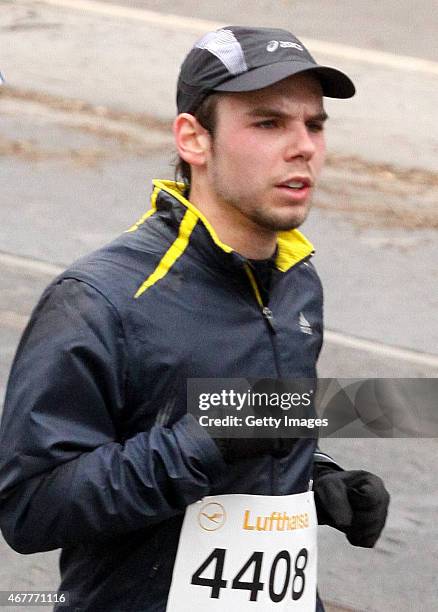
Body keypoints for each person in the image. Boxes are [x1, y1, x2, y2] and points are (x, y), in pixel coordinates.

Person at [0, 27, 389, 611]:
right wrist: (204, 438)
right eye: (268, 123)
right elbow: (30, 508)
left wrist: (315, 476)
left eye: (314, 124)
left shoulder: (297, 282)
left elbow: (255, 431)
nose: (303, 146)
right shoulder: (101, 298)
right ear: (194, 139)